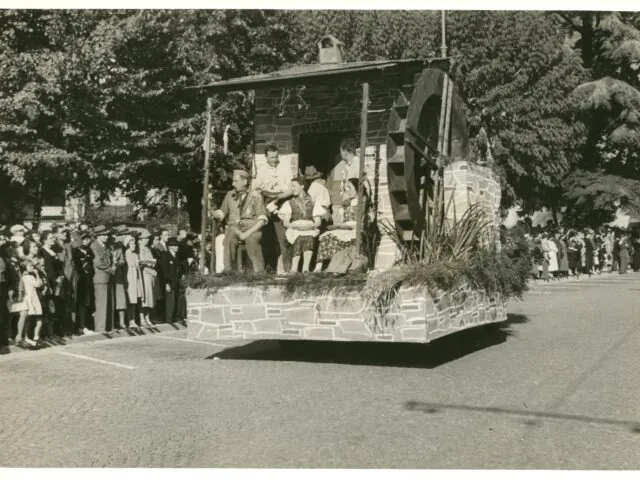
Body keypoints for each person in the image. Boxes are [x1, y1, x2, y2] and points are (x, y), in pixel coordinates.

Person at [213, 169, 268, 273]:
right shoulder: (230, 195)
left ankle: (259, 272)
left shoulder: (255, 196)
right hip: (234, 228)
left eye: (236, 181)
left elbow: (262, 219)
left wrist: (247, 233)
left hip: (252, 229)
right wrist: (213, 212)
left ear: (245, 182)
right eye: (233, 181)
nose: (233, 184)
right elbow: (222, 212)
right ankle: (228, 271)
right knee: (228, 239)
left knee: (252, 240)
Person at [253, 144, 293, 273]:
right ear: (266, 157)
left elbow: (291, 189)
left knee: (282, 236)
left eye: (276, 157)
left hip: (281, 201)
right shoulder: (262, 170)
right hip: (266, 202)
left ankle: (287, 268)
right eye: (271, 157)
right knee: (266, 235)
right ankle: (270, 266)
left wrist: (277, 199)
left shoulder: (285, 168)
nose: (274, 160)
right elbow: (257, 188)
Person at [315, 178, 368, 272]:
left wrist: (351, 226)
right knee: (326, 236)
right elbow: (341, 221)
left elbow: (364, 221)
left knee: (343, 239)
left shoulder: (363, 202)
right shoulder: (346, 203)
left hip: (356, 228)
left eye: (350, 187)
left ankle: (341, 266)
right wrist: (340, 221)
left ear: (357, 189)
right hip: (344, 228)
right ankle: (318, 267)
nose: (347, 190)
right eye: (346, 187)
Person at [278, 177, 324, 273]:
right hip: (294, 229)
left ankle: (305, 269)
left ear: (302, 186)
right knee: (298, 237)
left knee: (309, 237)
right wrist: (295, 226)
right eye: (291, 187)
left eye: (294, 186)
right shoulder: (290, 203)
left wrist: (309, 226)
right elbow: (286, 222)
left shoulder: (313, 202)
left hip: (309, 229)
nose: (292, 189)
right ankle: (294, 268)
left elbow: (318, 222)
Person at [91, 225, 114, 334]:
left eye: (106, 235)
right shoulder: (94, 246)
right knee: (101, 304)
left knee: (108, 303)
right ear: (98, 236)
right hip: (100, 277)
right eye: (104, 235)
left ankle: (107, 326)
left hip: (106, 277)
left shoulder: (105, 246)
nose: (106, 237)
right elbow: (98, 262)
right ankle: (100, 327)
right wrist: (110, 268)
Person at [158, 237, 184, 323]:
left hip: (177, 282)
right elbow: (164, 271)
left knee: (177, 300)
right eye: (175, 245)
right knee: (170, 301)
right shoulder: (165, 255)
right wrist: (166, 283)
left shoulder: (177, 255)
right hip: (169, 282)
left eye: (177, 245)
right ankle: (168, 318)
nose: (177, 247)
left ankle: (176, 316)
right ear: (169, 247)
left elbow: (179, 268)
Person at [73, 231, 95, 335]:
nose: (87, 241)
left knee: (88, 303)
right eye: (84, 239)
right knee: (82, 303)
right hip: (81, 279)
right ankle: (81, 326)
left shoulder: (89, 251)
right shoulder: (76, 252)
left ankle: (86, 325)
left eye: (88, 239)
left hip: (88, 279)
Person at [21, 258, 44, 346]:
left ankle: (26, 337)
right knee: (38, 318)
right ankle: (35, 337)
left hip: (29, 299)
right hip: (33, 299)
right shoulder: (30, 277)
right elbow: (39, 284)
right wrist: (37, 274)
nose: (32, 267)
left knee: (29, 319)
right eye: (30, 266)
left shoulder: (23, 277)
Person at [137, 231, 157, 327]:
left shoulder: (148, 249)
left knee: (149, 297)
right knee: (144, 296)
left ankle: (147, 316)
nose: (147, 240)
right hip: (143, 275)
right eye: (145, 238)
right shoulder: (139, 249)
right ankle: (141, 318)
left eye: (148, 238)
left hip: (150, 275)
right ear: (141, 239)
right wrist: (149, 269)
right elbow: (140, 263)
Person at [124, 235, 143, 329]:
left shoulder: (136, 254)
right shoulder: (127, 253)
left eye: (134, 243)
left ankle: (134, 320)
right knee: (131, 300)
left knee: (135, 300)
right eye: (131, 243)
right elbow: (130, 265)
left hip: (136, 278)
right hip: (130, 278)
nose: (134, 245)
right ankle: (130, 320)